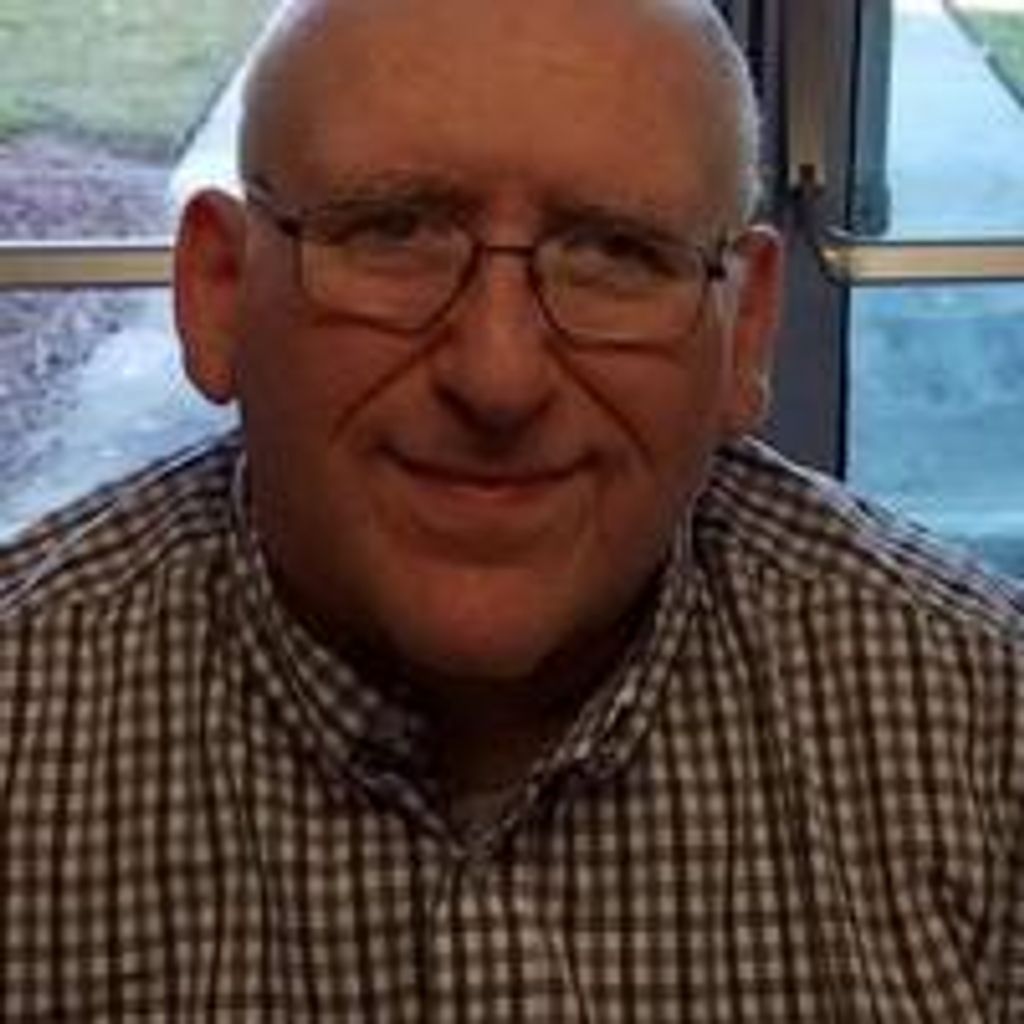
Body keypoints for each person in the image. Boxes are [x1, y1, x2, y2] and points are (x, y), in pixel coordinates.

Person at [1, 0, 1022, 1017]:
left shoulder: (984, 739)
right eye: (394, 233)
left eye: (617, 253)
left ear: (745, 330)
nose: (499, 377)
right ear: (219, 292)